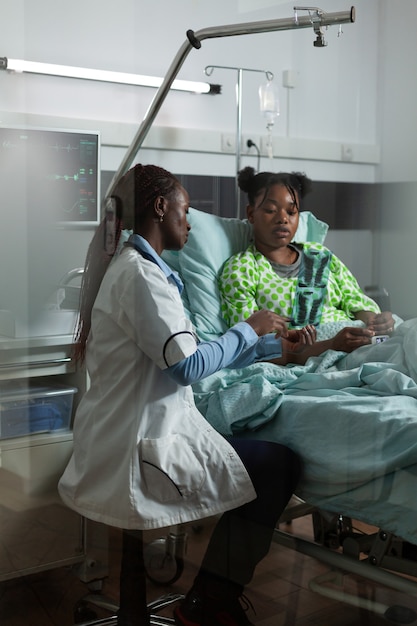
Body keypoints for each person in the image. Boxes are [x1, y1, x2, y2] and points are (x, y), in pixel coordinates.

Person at [58, 164, 314, 626]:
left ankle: (204, 598)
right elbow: (187, 366)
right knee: (279, 465)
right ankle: (208, 601)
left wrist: (271, 345)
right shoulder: (140, 277)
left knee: (262, 462)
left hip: (121, 440)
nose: (190, 222)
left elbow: (195, 352)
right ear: (161, 208)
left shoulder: (141, 271)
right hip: (138, 450)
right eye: (185, 209)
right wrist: (249, 327)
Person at [219, 166, 396, 365]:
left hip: (359, 340)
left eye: (291, 211)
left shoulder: (319, 255)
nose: (283, 219)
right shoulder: (241, 270)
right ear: (251, 214)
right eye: (270, 210)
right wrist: (331, 344)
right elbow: (251, 340)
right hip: (310, 355)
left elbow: (355, 300)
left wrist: (377, 322)